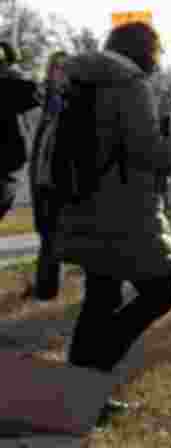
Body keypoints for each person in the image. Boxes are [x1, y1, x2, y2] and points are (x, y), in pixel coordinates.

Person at [52, 21, 171, 423]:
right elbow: (151, 155)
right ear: (145, 50)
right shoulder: (131, 85)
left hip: (85, 202)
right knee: (161, 292)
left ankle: (80, 393)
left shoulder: (84, 77)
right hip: (123, 209)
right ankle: (92, 378)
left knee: (99, 300)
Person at [25, 50, 68, 300]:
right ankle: (46, 286)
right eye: (55, 67)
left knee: (53, 235)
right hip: (41, 176)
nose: (58, 72)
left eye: (63, 68)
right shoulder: (44, 98)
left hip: (56, 179)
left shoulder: (69, 99)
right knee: (46, 233)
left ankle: (46, 289)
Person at [0, 41, 40, 219]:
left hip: (10, 161)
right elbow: (35, 122)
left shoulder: (17, 87)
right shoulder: (18, 87)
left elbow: (35, 121)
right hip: (10, 161)